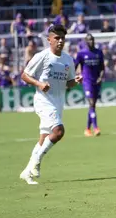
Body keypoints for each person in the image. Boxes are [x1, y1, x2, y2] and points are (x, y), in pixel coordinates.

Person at [19, 24, 82, 184]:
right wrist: (39, 84)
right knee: (59, 131)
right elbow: (24, 76)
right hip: (43, 101)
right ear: (49, 40)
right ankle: (36, 163)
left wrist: (75, 81)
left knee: (44, 138)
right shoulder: (42, 56)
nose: (60, 41)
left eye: (62, 38)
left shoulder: (68, 59)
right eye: (57, 38)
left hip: (58, 103)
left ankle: (27, 172)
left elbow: (69, 83)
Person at [75, 34, 105, 137]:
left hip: (96, 82)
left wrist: (100, 77)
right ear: (85, 41)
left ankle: (87, 129)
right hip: (86, 82)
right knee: (91, 103)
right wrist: (72, 78)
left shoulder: (99, 52)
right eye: (89, 40)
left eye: (92, 39)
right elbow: (75, 66)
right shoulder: (81, 54)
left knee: (92, 106)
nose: (91, 41)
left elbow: (102, 68)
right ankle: (96, 128)